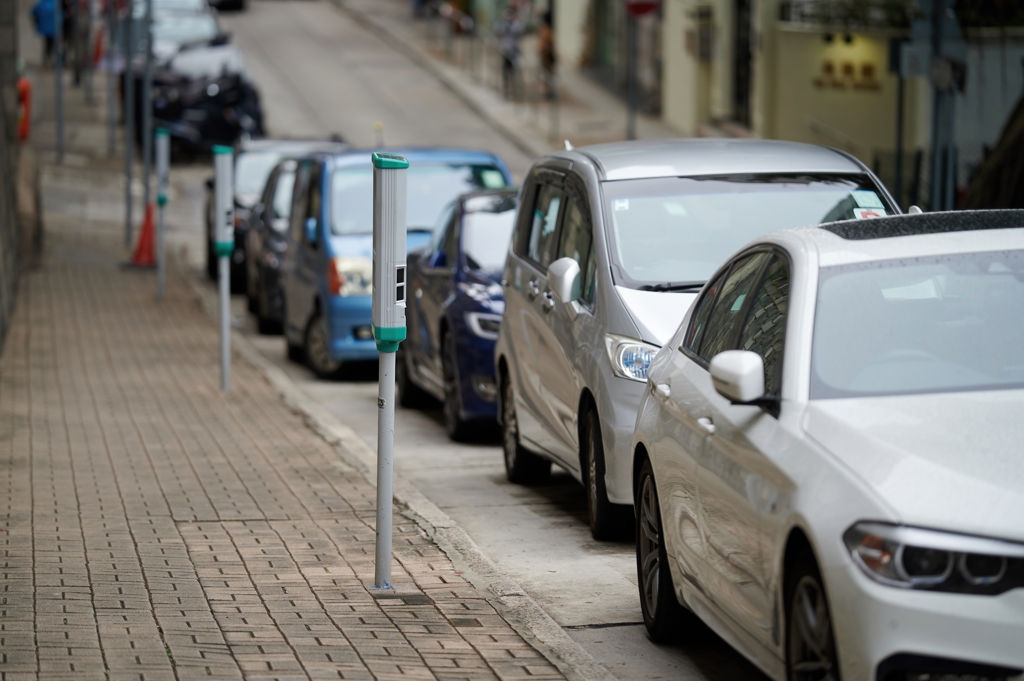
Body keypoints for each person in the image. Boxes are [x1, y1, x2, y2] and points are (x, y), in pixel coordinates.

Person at [493, 6, 524, 100]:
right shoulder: (503, 23)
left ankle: (515, 87)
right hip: (505, 49)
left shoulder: (517, 23)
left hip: (514, 49)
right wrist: (501, 20)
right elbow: (497, 29)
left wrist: (517, 20)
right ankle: (506, 87)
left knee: (514, 68)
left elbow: (520, 30)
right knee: (505, 69)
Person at [30, 0, 57, 68]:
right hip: (53, 29)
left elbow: (33, 12)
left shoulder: (40, 4)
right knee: (50, 45)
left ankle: (46, 61)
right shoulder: (54, 3)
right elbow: (61, 15)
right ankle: (49, 61)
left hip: (44, 29)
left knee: (47, 45)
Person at [537, 10, 556, 100]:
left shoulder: (544, 29)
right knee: (546, 73)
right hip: (546, 54)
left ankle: (547, 90)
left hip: (546, 54)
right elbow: (545, 43)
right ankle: (546, 91)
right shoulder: (546, 29)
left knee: (547, 73)